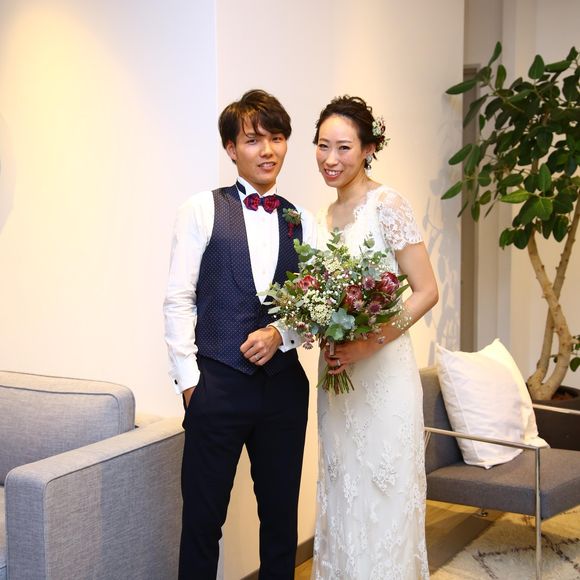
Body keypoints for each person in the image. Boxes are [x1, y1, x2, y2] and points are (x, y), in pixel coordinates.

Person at [163, 89, 316, 580]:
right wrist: (191, 384)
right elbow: (178, 299)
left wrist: (280, 333)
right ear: (231, 148)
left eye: (277, 138)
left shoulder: (302, 220)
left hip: (284, 389)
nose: (268, 150)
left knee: (280, 520)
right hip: (217, 384)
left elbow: (316, 306)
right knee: (202, 522)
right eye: (253, 140)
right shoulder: (201, 209)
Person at [311, 96, 439, 579]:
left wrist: (368, 343)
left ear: (368, 149)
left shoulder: (388, 205)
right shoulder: (324, 216)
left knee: (384, 496)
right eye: (323, 145)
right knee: (343, 491)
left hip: (384, 375)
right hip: (338, 378)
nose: (331, 158)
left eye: (343, 147)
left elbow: (426, 291)